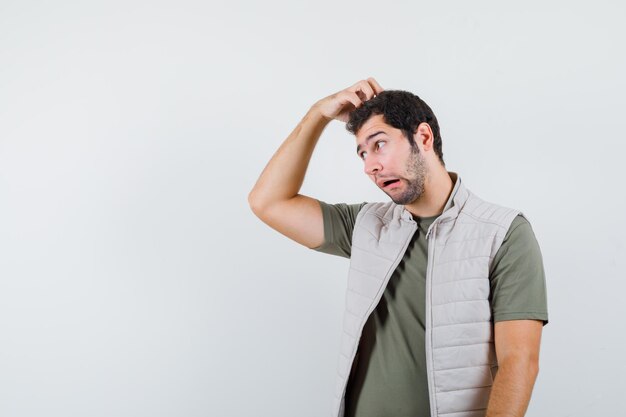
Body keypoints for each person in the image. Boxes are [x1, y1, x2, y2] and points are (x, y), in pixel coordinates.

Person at [248, 78, 548, 417]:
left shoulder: (504, 233)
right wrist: (318, 113)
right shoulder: (365, 225)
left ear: (423, 137)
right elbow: (268, 201)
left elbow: (519, 362)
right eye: (362, 153)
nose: (369, 166)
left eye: (378, 145)